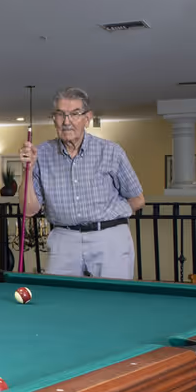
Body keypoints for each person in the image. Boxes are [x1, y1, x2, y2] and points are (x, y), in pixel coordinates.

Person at [18, 87, 144, 279]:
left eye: (75, 114)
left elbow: (137, 199)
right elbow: (28, 210)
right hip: (64, 238)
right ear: (54, 119)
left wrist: (109, 218)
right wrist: (27, 169)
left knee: (114, 300)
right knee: (60, 301)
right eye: (60, 115)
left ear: (87, 118)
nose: (67, 121)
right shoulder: (41, 154)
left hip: (109, 237)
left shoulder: (111, 151)